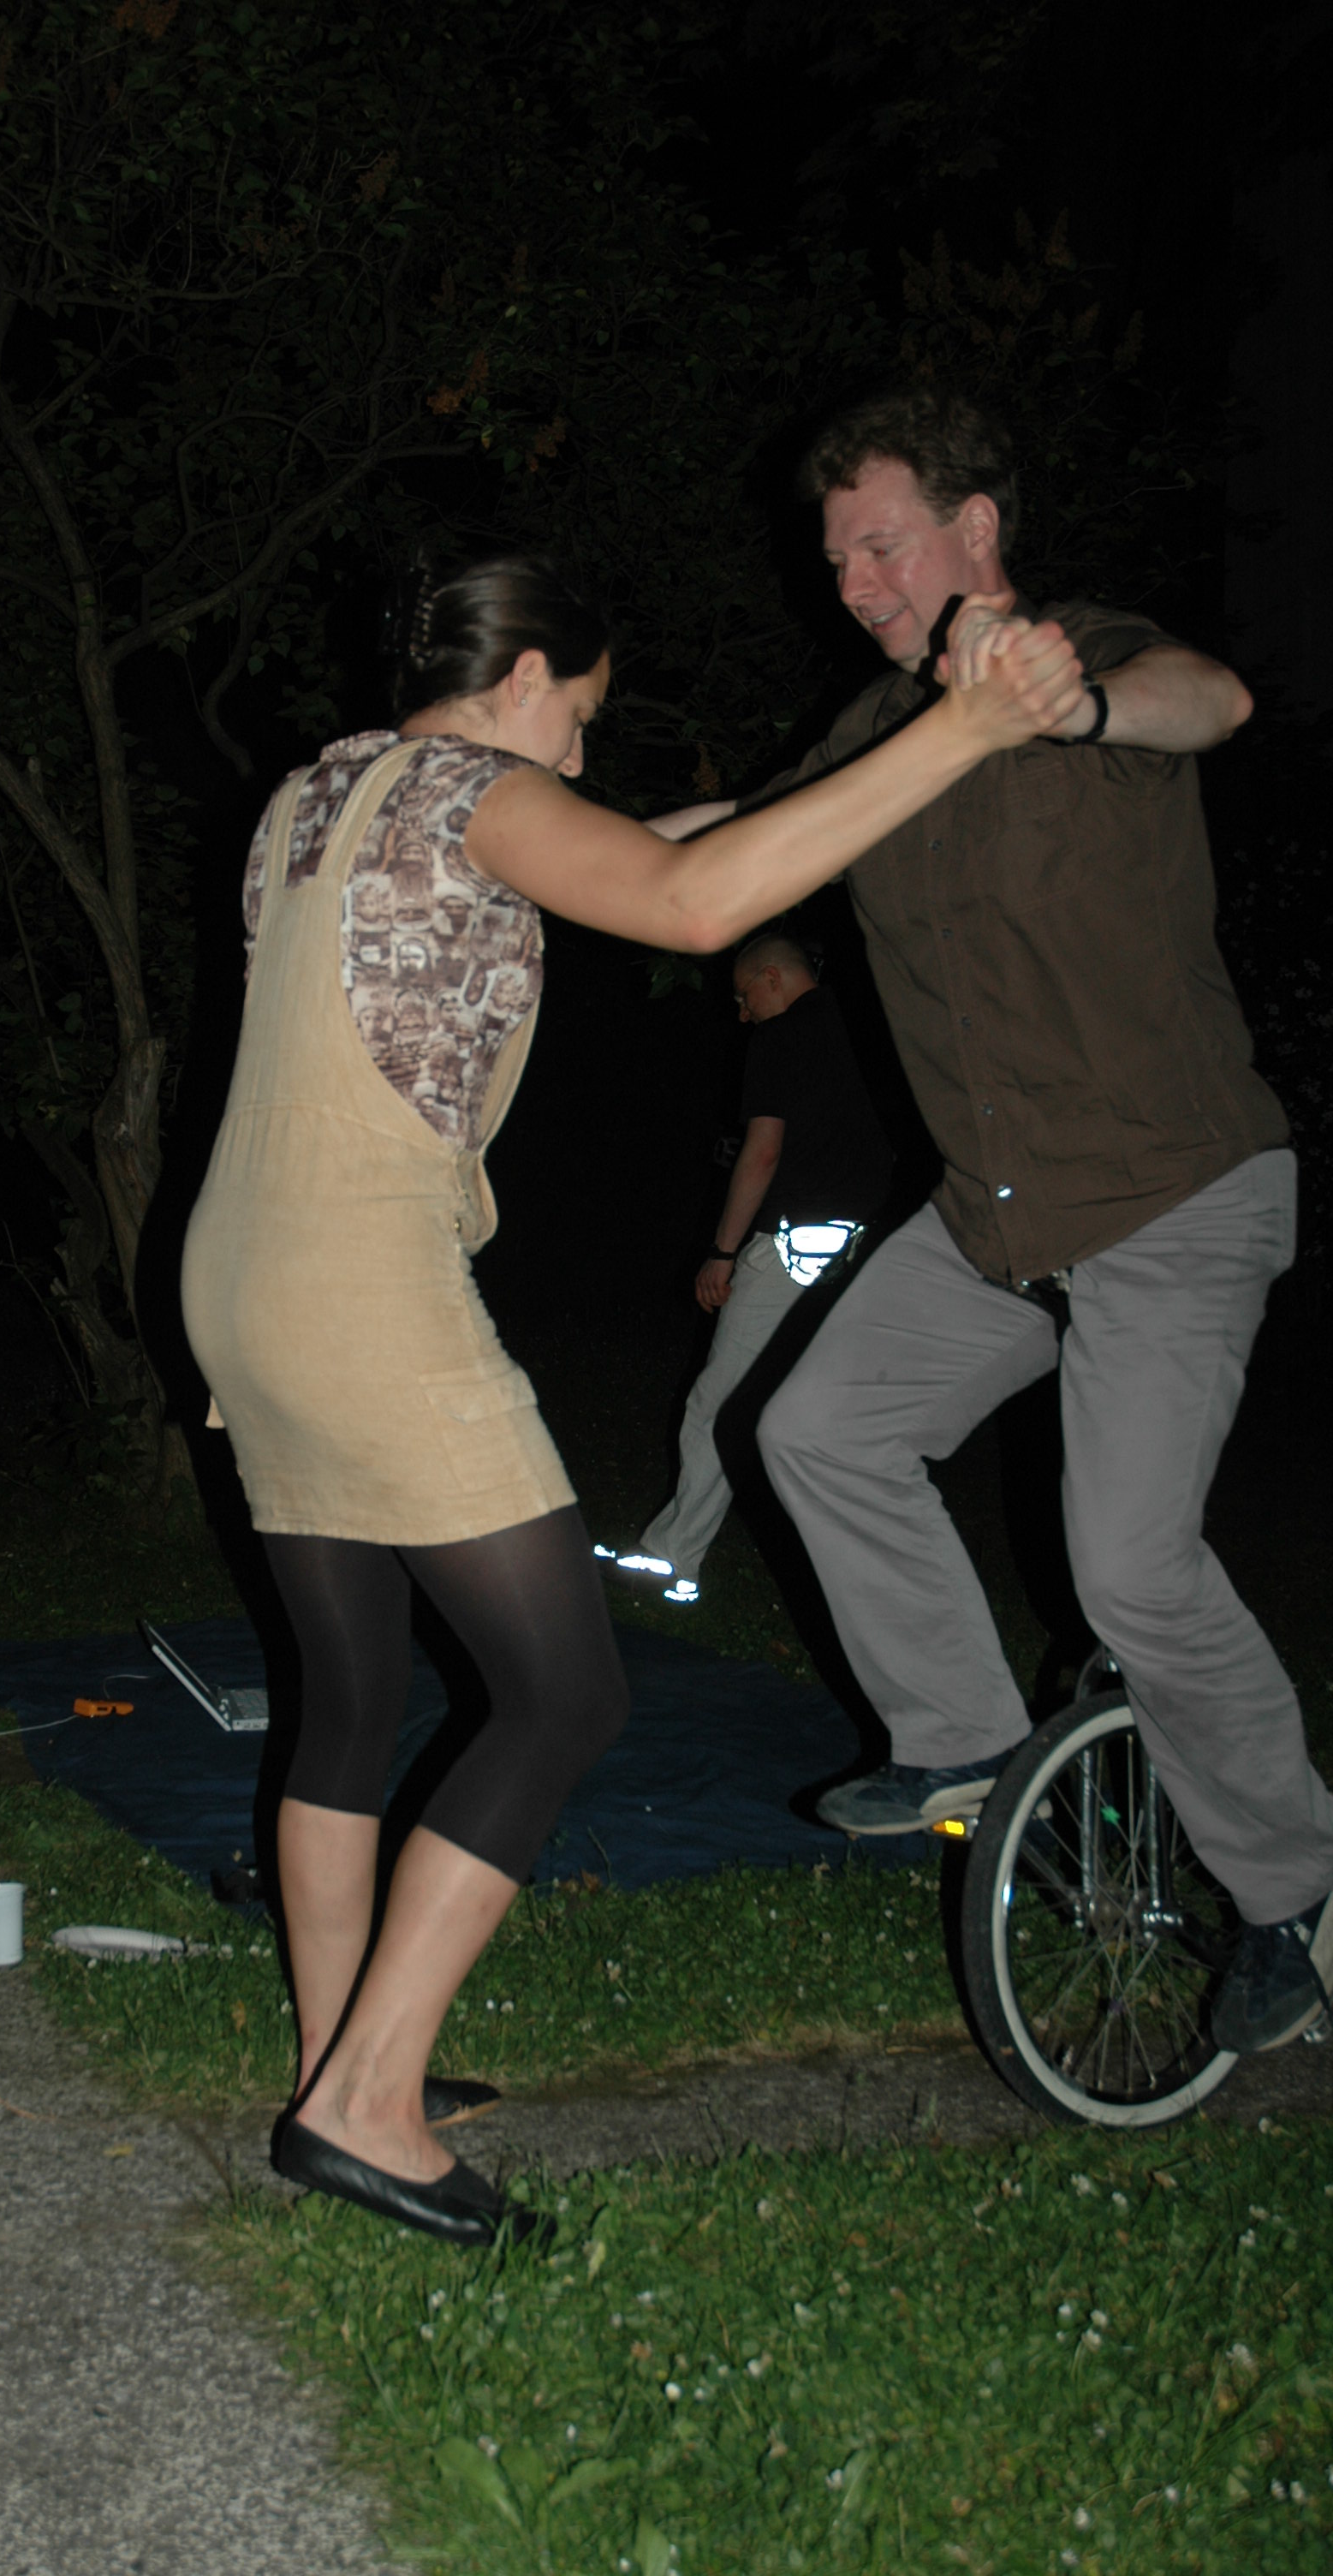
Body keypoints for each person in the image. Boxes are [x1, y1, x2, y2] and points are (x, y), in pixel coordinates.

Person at [182, 548, 1086, 2248]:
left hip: (238, 1271)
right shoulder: (480, 789)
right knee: (562, 1690)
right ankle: (364, 2105)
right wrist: (961, 728)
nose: (581, 756)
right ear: (524, 678)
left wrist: (819, 788)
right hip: (358, 1275)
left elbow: (641, 848)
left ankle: (336, 2059)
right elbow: (686, 903)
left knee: (349, 1693)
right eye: (581, 716)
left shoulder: (321, 795)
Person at [694, 387, 1328, 2055]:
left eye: (879, 544)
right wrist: (521, 831)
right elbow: (731, 835)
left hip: (1173, 1191)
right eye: (835, 557)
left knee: (1129, 1567)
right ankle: (964, 1737)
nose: (851, 582)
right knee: (814, 1427)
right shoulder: (876, 727)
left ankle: (1300, 1892)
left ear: (976, 529)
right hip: (995, 1215)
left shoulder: (1085, 656)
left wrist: (1079, 700)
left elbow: (1208, 699)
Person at [599, 932, 893, 1607]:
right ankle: (866, 1577)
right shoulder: (870, 1029)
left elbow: (761, 1152)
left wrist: (723, 1251)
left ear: (772, 978)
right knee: (828, 1413)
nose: (741, 1012)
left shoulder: (782, 1037)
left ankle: (672, 1558)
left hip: (793, 1246)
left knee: (721, 1399)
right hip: (867, 1249)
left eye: (743, 996)